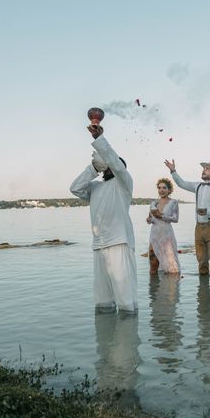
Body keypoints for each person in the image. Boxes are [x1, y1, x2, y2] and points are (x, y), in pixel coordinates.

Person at [70, 119, 138, 313]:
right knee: (103, 301)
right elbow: (75, 188)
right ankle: (105, 340)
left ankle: (127, 338)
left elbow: (116, 164)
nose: (107, 166)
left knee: (126, 299)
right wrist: (92, 168)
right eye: (105, 164)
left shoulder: (124, 184)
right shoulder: (96, 188)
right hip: (99, 245)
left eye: (110, 164)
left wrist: (99, 138)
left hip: (119, 242)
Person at [164, 159, 210, 276]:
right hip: (198, 228)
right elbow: (181, 183)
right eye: (204, 168)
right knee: (201, 261)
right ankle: (202, 293)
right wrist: (173, 171)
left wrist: (209, 212)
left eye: (207, 169)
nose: (204, 170)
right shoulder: (198, 186)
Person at [146, 178, 180, 274]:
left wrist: (162, 216)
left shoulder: (173, 202)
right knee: (153, 265)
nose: (161, 190)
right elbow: (150, 219)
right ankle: (153, 287)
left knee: (171, 267)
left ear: (169, 190)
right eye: (159, 188)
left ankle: (171, 286)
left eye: (164, 188)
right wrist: (149, 219)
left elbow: (176, 219)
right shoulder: (153, 203)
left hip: (167, 234)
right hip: (154, 234)